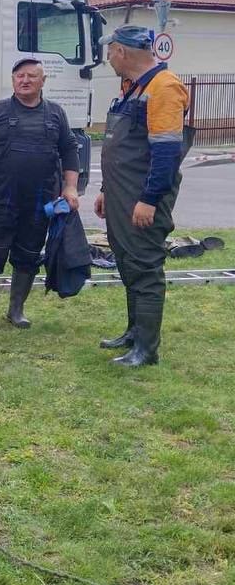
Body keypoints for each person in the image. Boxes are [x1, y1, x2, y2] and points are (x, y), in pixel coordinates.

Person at [94, 25, 190, 366]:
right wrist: (106, 190)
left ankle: (146, 350)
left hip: (142, 197)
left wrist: (149, 199)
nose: (108, 59)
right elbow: (121, 147)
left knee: (145, 267)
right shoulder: (132, 87)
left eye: (110, 52)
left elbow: (165, 154)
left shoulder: (163, 87)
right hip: (121, 195)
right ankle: (134, 332)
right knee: (127, 262)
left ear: (122, 51)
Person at [0, 59, 81, 330]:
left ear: (43, 81)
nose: (24, 80)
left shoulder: (55, 114)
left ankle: (16, 311)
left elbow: (70, 150)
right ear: (13, 80)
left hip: (39, 200)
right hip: (0, 197)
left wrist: (70, 187)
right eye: (19, 76)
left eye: (31, 76)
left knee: (28, 255)